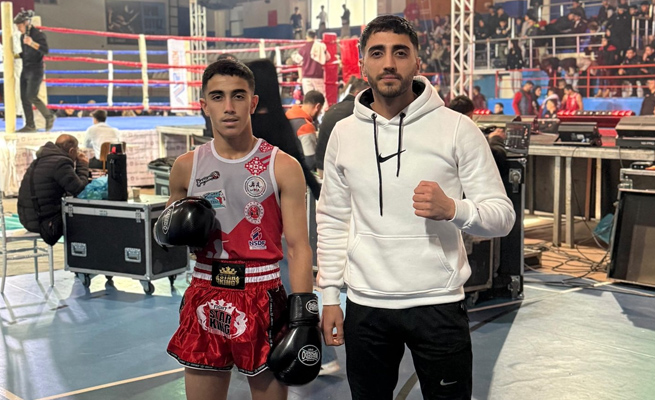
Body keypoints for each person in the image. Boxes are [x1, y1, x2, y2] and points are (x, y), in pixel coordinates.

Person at [317, 15, 515, 400]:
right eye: (378, 53)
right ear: (363, 64)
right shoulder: (344, 133)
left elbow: (502, 216)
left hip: (438, 303)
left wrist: (454, 209)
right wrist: (329, 295)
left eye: (400, 52)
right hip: (365, 304)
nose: (389, 63)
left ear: (417, 62)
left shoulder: (457, 128)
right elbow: (332, 219)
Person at [165, 59, 314, 400]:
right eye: (217, 97)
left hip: (262, 294)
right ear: (204, 105)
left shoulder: (283, 165)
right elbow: (168, 236)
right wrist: (169, 231)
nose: (229, 107)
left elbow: (298, 247)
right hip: (204, 290)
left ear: (254, 102)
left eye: (238, 96)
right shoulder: (186, 167)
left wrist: (304, 317)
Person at [246, 59, 321, 199]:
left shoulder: (245, 123)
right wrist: (318, 192)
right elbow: (297, 159)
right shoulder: (278, 122)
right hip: (277, 197)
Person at [17, 135, 89, 243]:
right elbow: (80, 190)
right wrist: (82, 165)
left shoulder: (41, 160)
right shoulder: (61, 162)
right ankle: (82, 252)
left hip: (28, 218)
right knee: (87, 218)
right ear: (72, 151)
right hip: (45, 223)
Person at [316, 78, 369, 176]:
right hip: (337, 171)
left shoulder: (333, 108)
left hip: (322, 166)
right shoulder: (356, 111)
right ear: (358, 94)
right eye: (369, 95)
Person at [14, 9, 56, 133]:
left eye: (19, 26)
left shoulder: (38, 35)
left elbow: (45, 50)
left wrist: (32, 43)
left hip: (36, 69)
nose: (18, 29)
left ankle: (49, 116)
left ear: (26, 23)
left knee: (31, 96)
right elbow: (26, 54)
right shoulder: (22, 37)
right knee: (24, 97)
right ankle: (30, 125)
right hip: (26, 68)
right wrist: (14, 56)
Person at [285, 90, 325, 171]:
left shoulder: (287, 116)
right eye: (320, 110)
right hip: (297, 171)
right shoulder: (306, 127)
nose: (319, 113)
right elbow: (310, 161)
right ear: (317, 107)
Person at [295, 30, 330, 102]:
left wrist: (300, 78)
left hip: (306, 78)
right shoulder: (320, 47)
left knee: (309, 99)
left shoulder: (302, 49)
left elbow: (298, 63)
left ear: (306, 37)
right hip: (318, 76)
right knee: (321, 98)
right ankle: (324, 109)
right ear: (315, 37)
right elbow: (328, 58)